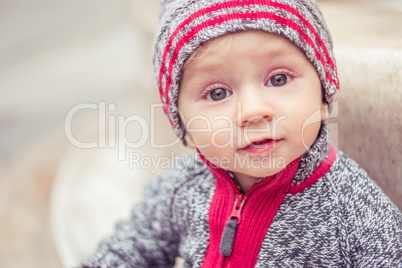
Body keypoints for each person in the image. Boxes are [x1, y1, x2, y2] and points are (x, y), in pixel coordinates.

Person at [81, 0, 402, 267]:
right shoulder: (182, 185)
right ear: (185, 128)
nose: (252, 111)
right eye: (218, 93)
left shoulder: (351, 210)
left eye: (278, 79)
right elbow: (133, 246)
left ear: (323, 96)